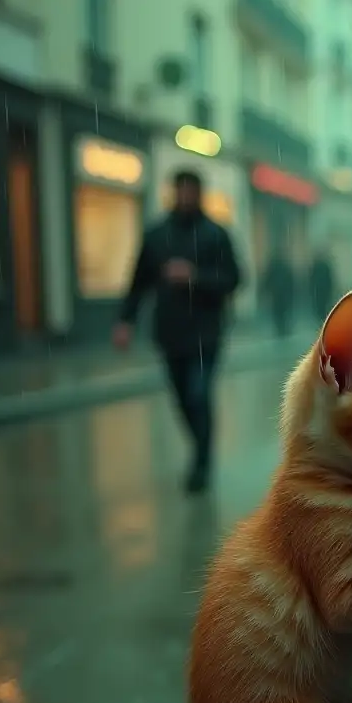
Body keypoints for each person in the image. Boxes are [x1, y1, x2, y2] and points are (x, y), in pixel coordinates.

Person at [113, 169, 242, 494]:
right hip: (170, 332)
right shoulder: (158, 235)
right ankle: (200, 447)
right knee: (183, 399)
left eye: (191, 190)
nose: (186, 196)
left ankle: (201, 460)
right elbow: (138, 280)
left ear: (199, 193)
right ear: (174, 192)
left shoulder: (216, 234)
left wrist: (196, 277)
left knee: (199, 395)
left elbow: (234, 279)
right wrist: (125, 321)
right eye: (181, 190)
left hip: (206, 333)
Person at [261, 247, 295, 338]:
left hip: (276, 293)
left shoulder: (273, 266)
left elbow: (267, 279)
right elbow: (290, 280)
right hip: (282, 293)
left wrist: (266, 290)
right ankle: (283, 327)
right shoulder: (285, 266)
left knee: (278, 311)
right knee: (283, 311)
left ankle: (280, 328)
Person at [307, 249, 334, 318]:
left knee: (320, 308)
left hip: (318, 292)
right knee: (324, 307)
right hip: (324, 292)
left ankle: (321, 319)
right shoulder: (325, 266)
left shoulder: (316, 266)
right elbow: (329, 280)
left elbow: (312, 280)